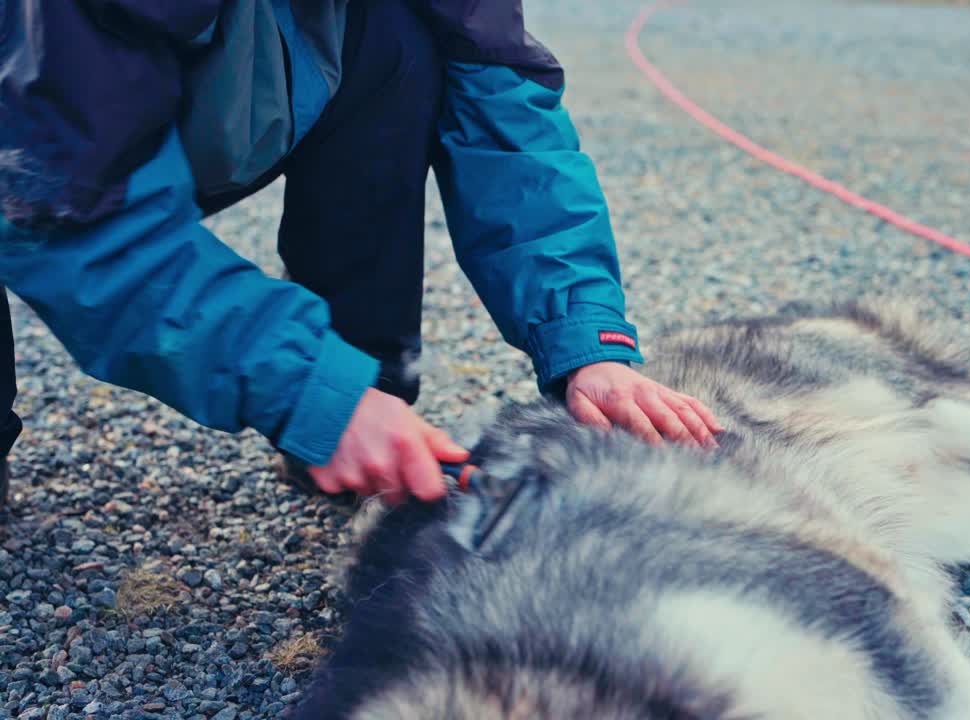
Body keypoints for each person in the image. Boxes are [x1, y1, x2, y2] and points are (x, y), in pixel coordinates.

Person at [0, 1, 721, 507]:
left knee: (402, 36)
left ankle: (364, 399)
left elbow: (509, 123)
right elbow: (62, 207)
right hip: (34, 142)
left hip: (186, 106)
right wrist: (306, 387)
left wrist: (587, 342)